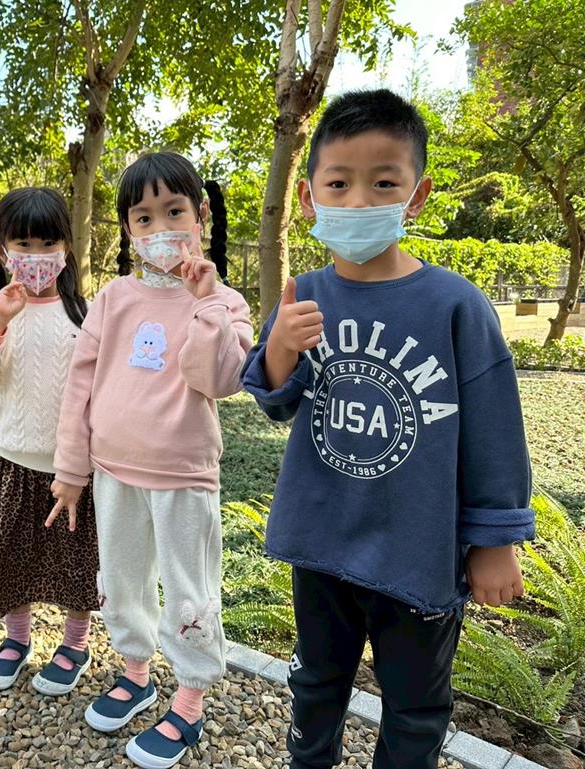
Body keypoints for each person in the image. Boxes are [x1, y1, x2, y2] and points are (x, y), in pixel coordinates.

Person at [241, 89, 534, 769]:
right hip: (321, 541)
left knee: (416, 706)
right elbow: (276, 400)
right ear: (308, 198)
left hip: (417, 548)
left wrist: (495, 541)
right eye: (338, 183)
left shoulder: (456, 306)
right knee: (315, 683)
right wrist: (280, 344)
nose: (357, 201)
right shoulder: (304, 295)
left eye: (383, 183)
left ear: (417, 196)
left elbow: (495, 433)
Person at [51, 152, 253, 768]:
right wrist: (70, 471)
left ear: (201, 215)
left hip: (183, 474)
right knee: (122, 580)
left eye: (173, 211)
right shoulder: (112, 298)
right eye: (144, 217)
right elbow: (79, 389)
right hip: (113, 472)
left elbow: (219, 379)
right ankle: (136, 674)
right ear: (128, 228)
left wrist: (206, 301)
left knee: (190, 589)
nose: (160, 227)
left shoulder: (224, 302)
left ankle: (189, 702)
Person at [0, 187, 98, 694]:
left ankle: (75, 644)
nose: (36, 257)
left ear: (66, 246)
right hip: (12, 462)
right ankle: (16, 640)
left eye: (47, 244)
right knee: (12, 558)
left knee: (77, 564)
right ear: (1, 247)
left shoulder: (86, 313)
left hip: (74, 469)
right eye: (24, 244)